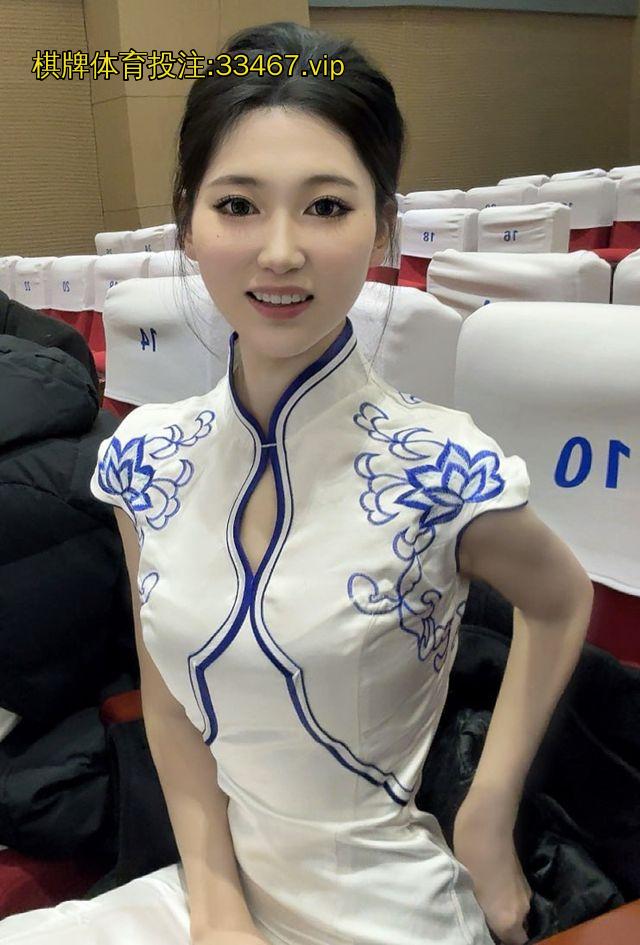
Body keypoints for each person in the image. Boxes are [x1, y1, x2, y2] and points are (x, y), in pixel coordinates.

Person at [85, 19, 591, 945]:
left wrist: (487, 817)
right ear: (189, 222)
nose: (280, 250)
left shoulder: (443, 468)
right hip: (213, 895)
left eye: (325, 206)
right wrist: (217, 904)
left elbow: (561, 600)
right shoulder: (143, 460)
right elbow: (167, 701)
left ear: (382, 223)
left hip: (386, 905)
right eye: (238, 205)